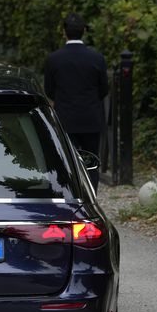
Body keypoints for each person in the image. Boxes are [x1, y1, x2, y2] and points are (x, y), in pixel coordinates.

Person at [43, 13, 108, 188]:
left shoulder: (54, 59)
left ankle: (71, 193)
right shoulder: (97, 58)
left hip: (65, 117)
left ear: (64, 32)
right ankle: (91, 196)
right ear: (84, 31)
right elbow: (103, 89)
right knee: (91, 161)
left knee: (67, 161)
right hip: (90, 117)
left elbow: (49, 89)